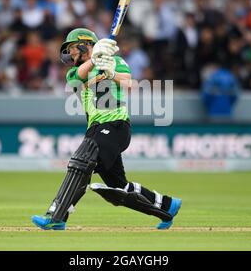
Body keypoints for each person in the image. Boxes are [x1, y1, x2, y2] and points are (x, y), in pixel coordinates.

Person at [31, 28, 182, 230]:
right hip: (96, 128)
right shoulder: (74, 73)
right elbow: (79, 79)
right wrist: (95, 60)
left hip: (115, 125)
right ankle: (167, 205)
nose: (70, 53)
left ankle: (56, 216)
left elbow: (131, 84)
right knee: (119, 187)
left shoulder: (115, 61)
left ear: (85, 44)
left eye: (73, 48)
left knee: (81, 162)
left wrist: (110, 72)